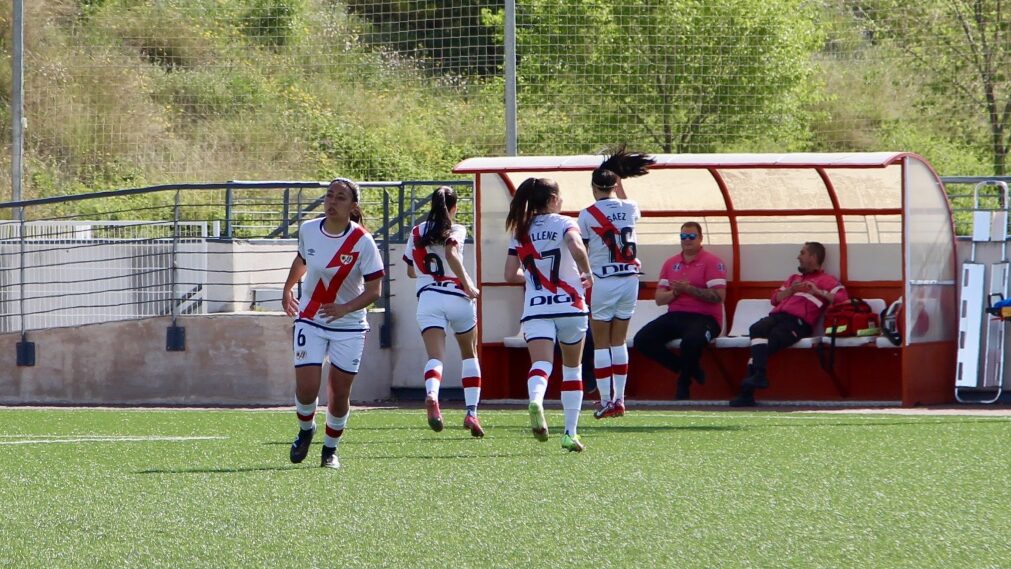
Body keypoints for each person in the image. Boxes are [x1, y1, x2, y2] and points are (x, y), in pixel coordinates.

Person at [282, 178, 384, 469]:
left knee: (339, 393)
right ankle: (305, 430)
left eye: (340, 197)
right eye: (329, 196)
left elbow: (375, 290)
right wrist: (288, 287)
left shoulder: (363, 241)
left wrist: (344, 308)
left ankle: (330, 450)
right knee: (306, 387)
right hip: (310, 319)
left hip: (349, 326)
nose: (332, 202)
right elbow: (302, 259)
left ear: (353, 207)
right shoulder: (308, 229)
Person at [504, 177, 594, 452]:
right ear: (553, 200)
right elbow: (576, 247)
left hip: (537, 308)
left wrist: (534, 277)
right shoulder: (565, 222)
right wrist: (587, 271)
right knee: (572, 369)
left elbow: (509, 275)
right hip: (570, 306)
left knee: (541, 364)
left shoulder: (520, 230)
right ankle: (569, 432)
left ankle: (536, 399)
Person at [577, 146, 655, 419]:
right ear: (615, 184)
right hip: (629, 279)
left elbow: (583, 250)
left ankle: (604, 400)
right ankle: (620, 400)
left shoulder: (587, 215)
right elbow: (624, 202)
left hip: (603, 279)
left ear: (593, 186)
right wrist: (618, 178)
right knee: (619, 341)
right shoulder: (630, 207)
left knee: (600, 343)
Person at [402, 186, 484, 437]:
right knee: (469, 354)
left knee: (435, 356)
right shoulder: (456, 229)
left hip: (429, 299)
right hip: (457, 297)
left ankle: (432, 394)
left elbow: (410, 270)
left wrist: (428, 273)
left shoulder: (417, 232)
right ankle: (471, 412)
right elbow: (450, 253)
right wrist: (468, 284)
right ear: (454, 208)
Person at [729, 242, 847, 407]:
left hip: (797, 323)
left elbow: (843, 299)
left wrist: (817, 291)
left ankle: (747, 393)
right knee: (756, 329)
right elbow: (774, 299)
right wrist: (790, 291)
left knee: (762, 348)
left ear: (813, 257)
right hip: (778, 316)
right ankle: (759, 377)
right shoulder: (794, 279)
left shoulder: (827, 280)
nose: (798, 257)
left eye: (802, 253)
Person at [633, 222, 727, 400]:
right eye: (683, 236)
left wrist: (690, 290)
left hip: (706, 317)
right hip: (676, 315)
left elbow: (719, 296)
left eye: (691, 236)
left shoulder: (712, 262)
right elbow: (659, 299)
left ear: (700, 238)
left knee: (691, 342)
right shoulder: (671, 263)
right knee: (642, 340)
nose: (687, 240)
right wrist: (676, 292)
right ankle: (687, 368)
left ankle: (684, 383)